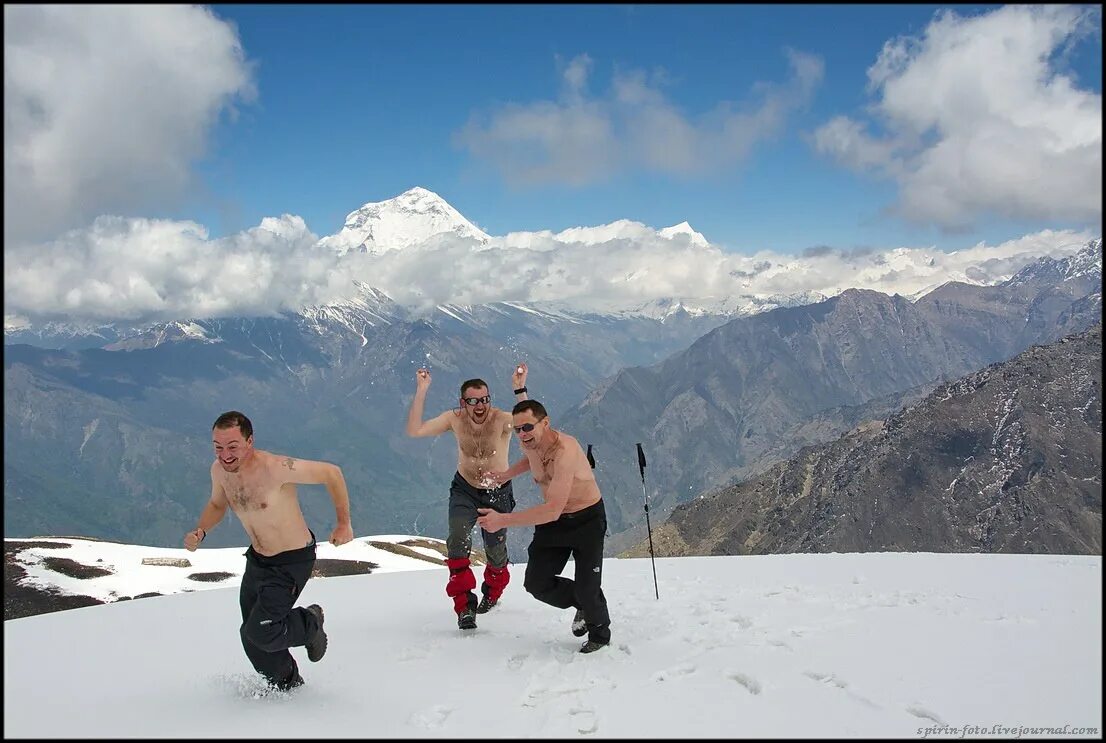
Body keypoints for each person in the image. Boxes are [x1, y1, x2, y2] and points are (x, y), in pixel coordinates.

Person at [183, 410, 354, 691]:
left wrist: (343, 524)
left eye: (232, 446)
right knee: (250, 636)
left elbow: (331, 473)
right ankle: (288, 685)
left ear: (249, 441)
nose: (225, 455)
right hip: (258, 560)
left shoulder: (276, 468)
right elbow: (217, 504)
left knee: (262, 630)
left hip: (291, 560)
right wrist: (200, 531)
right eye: (218, 447)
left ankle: (310, 622)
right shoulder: (219, 471)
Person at [476, 400, 611, 653]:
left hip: (587, 521)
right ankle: (584, 602)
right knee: (536, 583)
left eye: (527, 427)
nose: (522, 434)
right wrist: (506, 475)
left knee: (588, 587)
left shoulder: (565, 451)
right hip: (556, 524)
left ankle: (600, 634)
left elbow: (552, 509)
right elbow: (531, 458)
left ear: (545, 423)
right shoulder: (533, 441)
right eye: (518, 429)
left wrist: (502, 519)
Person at [406, 363, 530, 629]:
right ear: (463, 403)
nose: (480, 405)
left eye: (485, 399)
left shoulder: (500, 419)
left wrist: (520, 390)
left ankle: (492, 593)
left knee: (495, 551)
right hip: (465, 488)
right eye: (474, 401)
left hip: (497, 492)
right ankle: (464, 607)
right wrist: (422, 389)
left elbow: (530, 423)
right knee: (457, 539)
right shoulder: (455, 419)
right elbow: (415, 430)